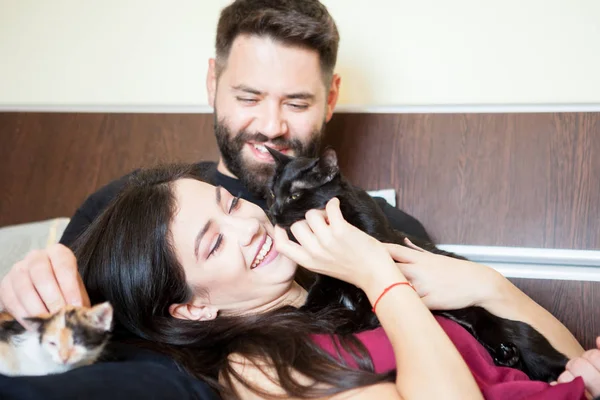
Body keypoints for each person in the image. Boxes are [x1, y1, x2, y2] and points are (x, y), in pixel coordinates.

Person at [3, 163, 598, 400]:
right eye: (213, 242)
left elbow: (563, 365)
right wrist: (379, 277)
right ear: (190, 309)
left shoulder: (339, 276)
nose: (246, 227)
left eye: (230, 205)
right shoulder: (255, 367)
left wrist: (486, 284)